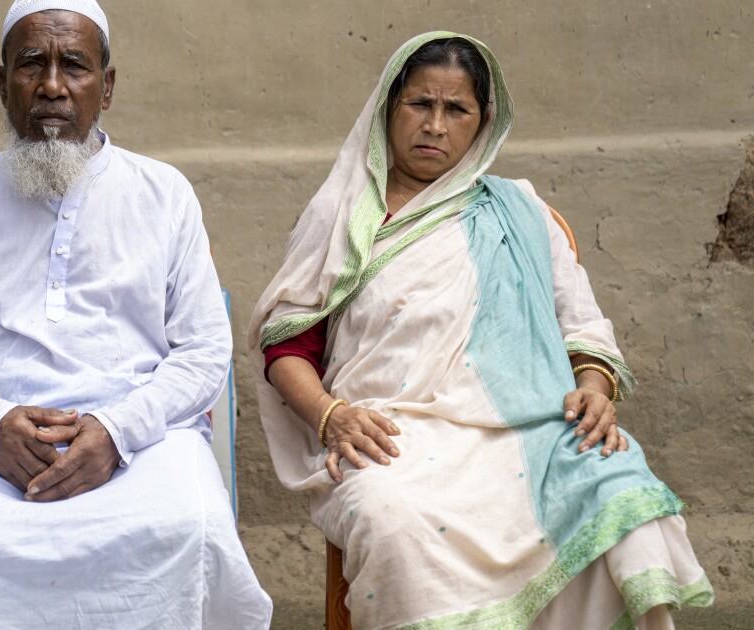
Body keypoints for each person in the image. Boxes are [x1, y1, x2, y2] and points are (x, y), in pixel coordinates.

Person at [250, 32, 713, 629]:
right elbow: (287, 342)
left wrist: (595, 391)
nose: (435, 126)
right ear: (390, 107)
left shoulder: (518, 210)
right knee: (389, 514)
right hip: (394, 437)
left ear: (483, 121)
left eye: (456, 109)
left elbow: (583, 326)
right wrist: (330, 415)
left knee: (617, 484)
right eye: (420, 104)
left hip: (531, 432)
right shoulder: (342, 216)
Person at [0, 1, 272, 628]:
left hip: (138, 447)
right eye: (32, 64)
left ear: (106, 86)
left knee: (195, 522)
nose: (52, 85)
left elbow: (204, 351)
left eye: (74, 65)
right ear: (3, 84)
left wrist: (118, 430)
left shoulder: (164, 194)